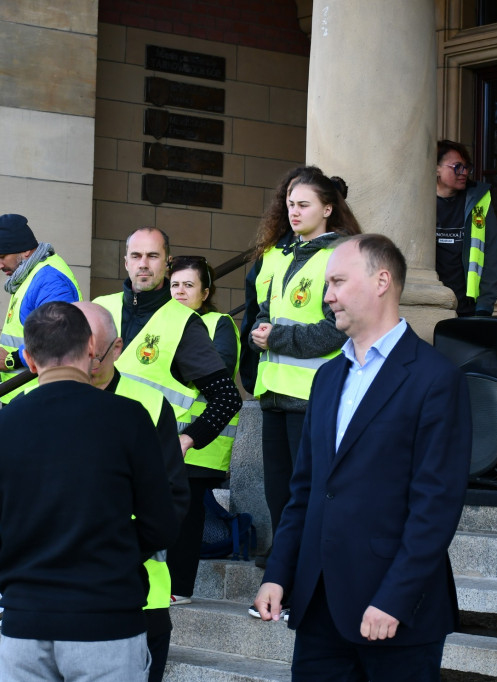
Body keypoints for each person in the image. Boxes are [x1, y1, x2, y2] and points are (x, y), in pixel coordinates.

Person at [252, 234, 471, 680]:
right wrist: (279, 574)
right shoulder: (328, 377)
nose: (326, 295)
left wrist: (394, 598)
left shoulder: (435, 378)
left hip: (395, 615)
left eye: (337, 281)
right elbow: (306, 490)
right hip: (318, 609)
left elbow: (436, 506)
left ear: (381, 281)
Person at [0, 302, 179, 682]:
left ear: (27, 356)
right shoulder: (129, 417)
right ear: (91, 348)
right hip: (107, 620)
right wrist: (111, 549)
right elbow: (162, 525)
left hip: (26, 623)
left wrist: (22, 556)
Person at [249, 166, 360, 570]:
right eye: (290, 204)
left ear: (328, 208)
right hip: (274, 392)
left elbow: (337, 329)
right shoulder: (284, 254)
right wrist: (257, 334)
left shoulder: (341, 255)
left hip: (313, 393)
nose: (293, 212)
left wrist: (275, 338)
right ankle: (284, 560)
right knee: (278, 488)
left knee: (308, 487)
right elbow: (265, 312)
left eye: (303, 205)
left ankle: (305, 565)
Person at [75, 300, 189, 682]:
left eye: (94, 351)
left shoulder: (150, 404)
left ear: (118, 348)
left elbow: (172, 499)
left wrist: (111, 556)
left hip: (139, 594)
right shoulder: (35, 406)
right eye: (76, 347)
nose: (84, 360)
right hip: (61, 595)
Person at [93, 227, 242, 464]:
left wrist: (185, 440)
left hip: (148, 457)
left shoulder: (184, 322)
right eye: (136, 256)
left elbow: (227, 398)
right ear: (125, 262)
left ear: (167, 263)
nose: (143, 264)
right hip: (94, 447)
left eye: (152, 256)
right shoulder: (98, 308)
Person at [165, 255, 239, 603]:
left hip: (203, 437)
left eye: (189, 285)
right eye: (175, 284)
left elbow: (219, 367)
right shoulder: (162, 321)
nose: (180, 292)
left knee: (188, 513)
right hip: (167, 436)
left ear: (205, 291)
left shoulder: (219, 323)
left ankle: (180, 588)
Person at [0, 213, 81, 403]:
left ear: (25, 251)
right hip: (26, 397)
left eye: (2, 257)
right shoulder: (31, 276)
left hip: (40, 399)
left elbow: (57, 341)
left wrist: (9, 360)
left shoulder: (49, 280)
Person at [239, 166, 306, 394]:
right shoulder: (270, 251)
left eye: (303, 200)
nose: (295, 206)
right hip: (269, 379)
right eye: (291, 197)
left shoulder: (334, 251)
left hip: (310, 382)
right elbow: (252, 312)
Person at [435, 139, 497, 317]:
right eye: (457, 167)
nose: (464, 172)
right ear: (436, 169)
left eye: (466, 167)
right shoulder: (422, 204)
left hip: (469, 309)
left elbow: (491, 255)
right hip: (432, 304)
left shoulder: (479, 201)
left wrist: (485, 305)